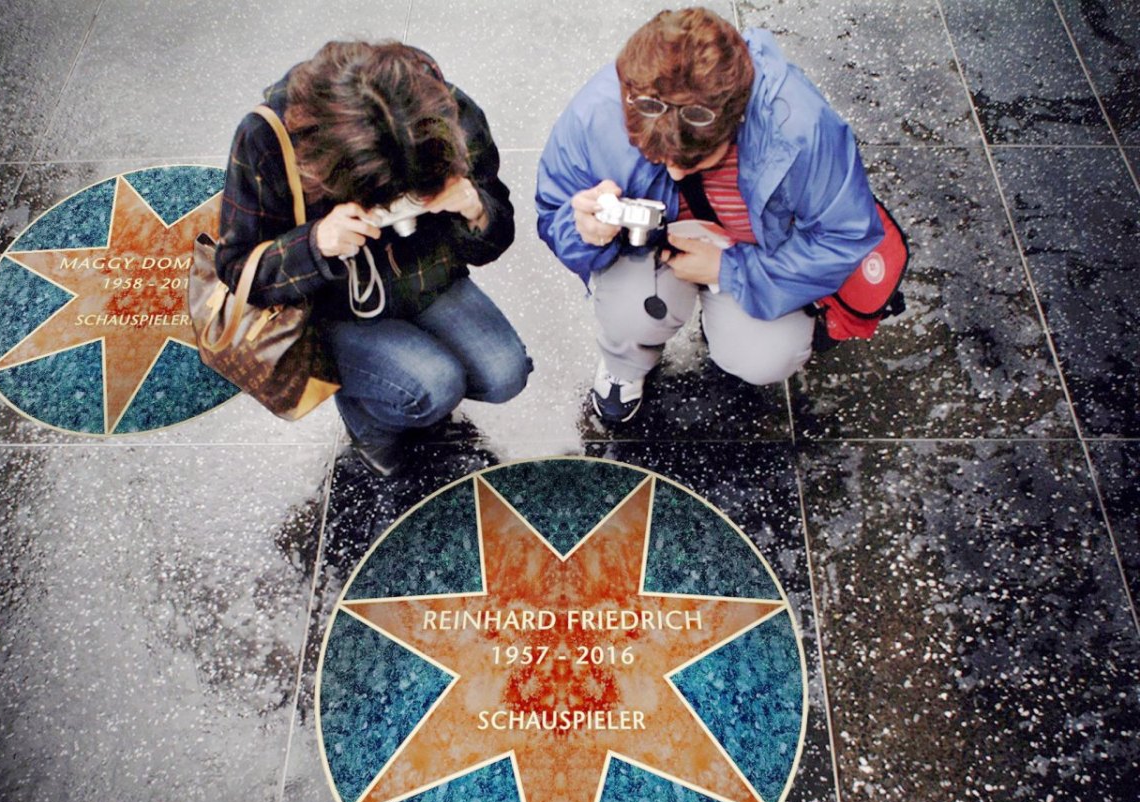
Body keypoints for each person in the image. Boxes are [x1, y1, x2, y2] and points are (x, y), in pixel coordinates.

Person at [536, 7, 884, 423]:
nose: (676, 172)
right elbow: (553, 211)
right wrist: (584, 230)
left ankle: (729, 319)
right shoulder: (592, 118)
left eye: (697, 160)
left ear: (737, 117)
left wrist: (728, 270)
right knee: (629, 318)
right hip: (646, 252)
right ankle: (625, 366)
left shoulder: (803, 128)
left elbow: (845, 236)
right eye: (657, 158)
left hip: (754, 253)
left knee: (765, 357)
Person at [218, 41, 531, 475]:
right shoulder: (268, 139)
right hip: (330, 308)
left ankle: (393, 388)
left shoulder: (446, 112)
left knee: (505, 374)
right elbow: (237, 270)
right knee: (433, 386)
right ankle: (370, 427)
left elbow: (497, 237)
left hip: (429, 280)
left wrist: (474, 207)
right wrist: (316, 244)